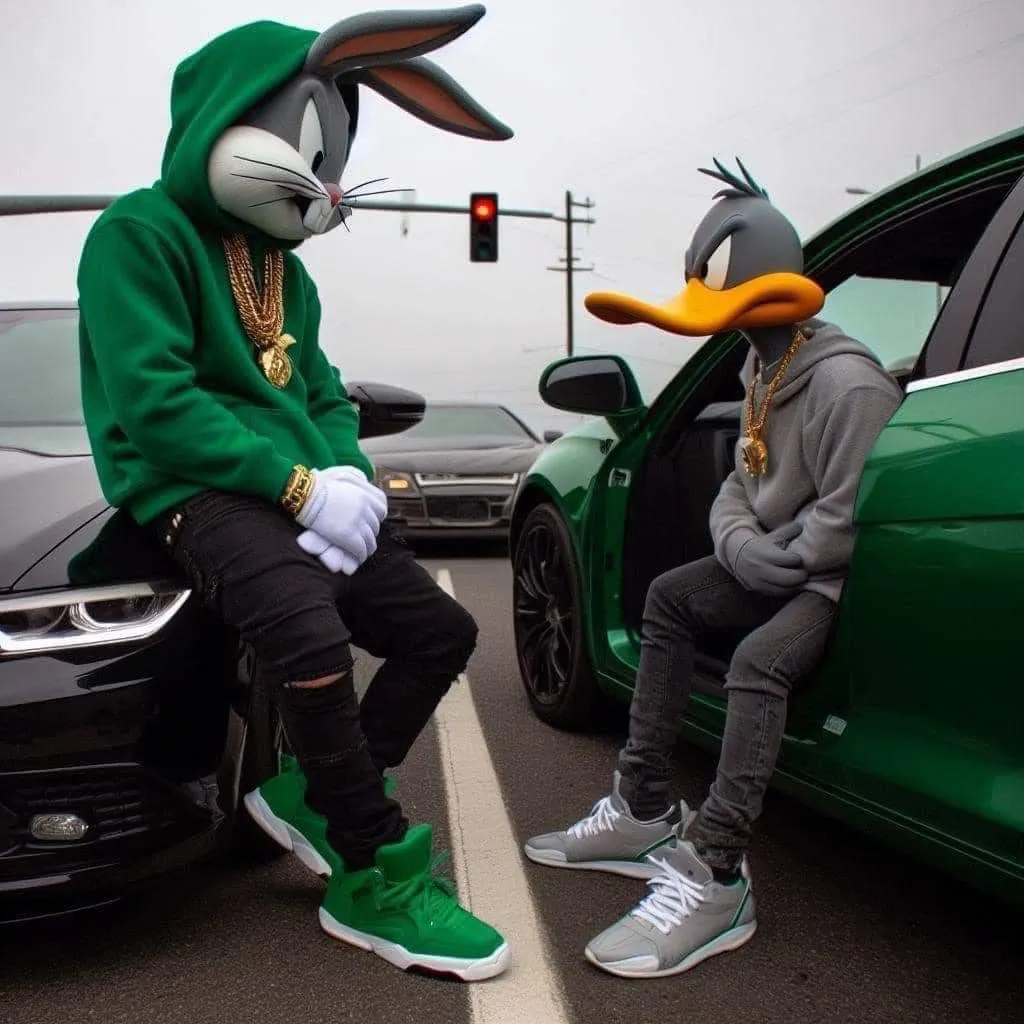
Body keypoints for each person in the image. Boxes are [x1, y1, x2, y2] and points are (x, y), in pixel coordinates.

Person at [76, 7, 514, 982]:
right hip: (193, 489)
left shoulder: (286, 271)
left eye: (335, 161)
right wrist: (301, 485)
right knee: (310, 638)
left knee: (439, 631)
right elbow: (157, 404)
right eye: (309, 151)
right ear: (232, 114)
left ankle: (316, 792)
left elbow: (316, 389)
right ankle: (370, 869)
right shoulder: (136, 232)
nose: (325, 184)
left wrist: (346, 470)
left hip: (293, 485)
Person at [525, 158, 904, 979]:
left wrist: (773, 559)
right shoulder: (761, 365)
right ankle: (644, 807)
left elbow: (841, 533)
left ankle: (720, 871)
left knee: (757, 659)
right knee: (668, 598)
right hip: (772, 563)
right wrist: (740, 547)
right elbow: (740, 479)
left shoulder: (849, 386)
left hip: (825, 584)